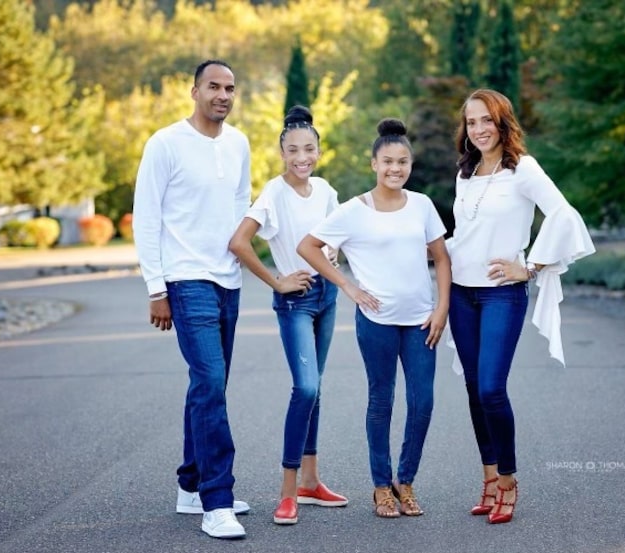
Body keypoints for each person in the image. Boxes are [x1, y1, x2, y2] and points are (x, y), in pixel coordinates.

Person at [447, 89, 595, 524]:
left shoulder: (523, 169)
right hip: (460, 291)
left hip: (500, 294)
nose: (478, 129)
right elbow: (464, 233)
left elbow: (564, 215)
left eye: (486, 120)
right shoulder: (466, 171)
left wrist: (528, 267)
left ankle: (509, 480)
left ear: (502, 121)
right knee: (474, 389)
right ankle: (489, 478)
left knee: (492, 388)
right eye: (471, 122)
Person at [298, 119, 451, 518]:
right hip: (376, 322)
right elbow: (309, 246)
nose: (395, 169)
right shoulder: (353, 211)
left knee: (423, 402)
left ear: (410, 165)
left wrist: (442, 309)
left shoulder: (422, 205)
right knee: (381, 401)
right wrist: (348, 287)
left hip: (421, 322)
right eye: (387, 162)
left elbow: (442, 256)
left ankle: (406, 481)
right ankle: (382, 486)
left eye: (402, 162)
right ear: (374, 164)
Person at [132, 59, 252, 540]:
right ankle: (216, 501)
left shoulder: (239, 142)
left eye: (230, 88)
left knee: (208, 386)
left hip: (229, 280)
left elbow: (243, 206)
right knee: (209, 384)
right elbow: (146, 217)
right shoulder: (165, 144)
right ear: (194, 91)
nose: (222, 95)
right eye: (214, 87)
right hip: (185, 279)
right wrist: (155, 288)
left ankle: (190, 486)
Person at [228, 105, 348, 526]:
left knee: (316, 389)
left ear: (318, 150)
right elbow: (240, 242)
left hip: (327, 297)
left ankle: (312, 484)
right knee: (307, 388)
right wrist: (277, 281)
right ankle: (287, 491)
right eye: (293, 150)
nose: (302, 157)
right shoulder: (273, 194)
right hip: (295, 300)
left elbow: (336, 237)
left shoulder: (327, 190)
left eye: (309, 149)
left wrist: (332, 255)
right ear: (282, 153)